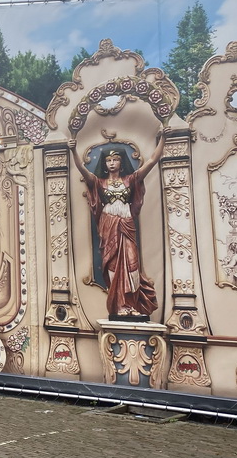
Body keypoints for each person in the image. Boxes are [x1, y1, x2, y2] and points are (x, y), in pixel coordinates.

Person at [69, 127, 166, 318]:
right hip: (108, 225)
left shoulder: (131, 179)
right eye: (109, 160)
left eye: (115, 159)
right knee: (112, 263)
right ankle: (120, 305)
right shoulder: (99, 182)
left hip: (126, 224)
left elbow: (153, 160)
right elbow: (82, 169)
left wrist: (163, 137)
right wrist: (73, 150)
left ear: (121, 163)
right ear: (105, 164)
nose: (112, 163)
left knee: (132, 264)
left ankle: (132, 305)